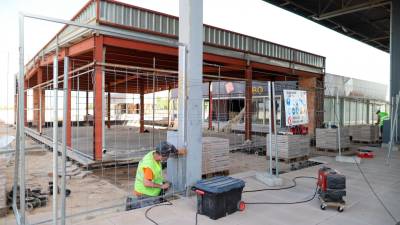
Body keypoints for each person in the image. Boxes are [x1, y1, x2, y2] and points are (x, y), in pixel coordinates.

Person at [126, 141, 185, 210]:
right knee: (154, 207)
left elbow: (167, 152)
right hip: (144, 191)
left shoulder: (154, 153)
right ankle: (132, 203)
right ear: (161, 156)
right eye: (167, 156)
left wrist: (177, 152)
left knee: (168, 185)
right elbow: (146, 183)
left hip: (151, 185)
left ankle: (156, 198)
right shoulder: (149, 166)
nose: (168, 158)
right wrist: (162, 186)